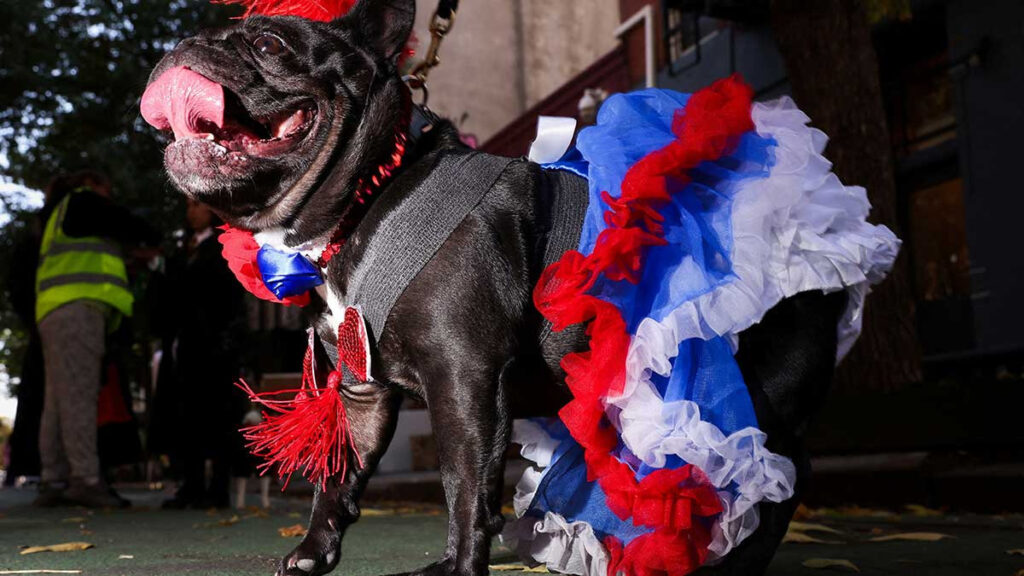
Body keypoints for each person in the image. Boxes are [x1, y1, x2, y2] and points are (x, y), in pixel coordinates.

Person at [33, 169, 160, 508]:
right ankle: (85, 480)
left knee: (58, 400)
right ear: (92, 186)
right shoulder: (83, 201)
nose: (110, 196)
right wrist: (148, 242)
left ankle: (54, 478)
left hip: (56, 308)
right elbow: (134, 226)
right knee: (78, 396)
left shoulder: (61, 214)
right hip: (78, 307)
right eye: (108, 189)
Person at [153, 199, 248, 509]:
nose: (191, 211)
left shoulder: (223, 247)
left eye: (197, 205)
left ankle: (218, 488)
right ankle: (191, 485)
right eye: (188, 206)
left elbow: (231, 301)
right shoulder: (180, 251)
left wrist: (227, 342)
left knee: (218, 417)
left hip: (215, 347)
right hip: (184, 347)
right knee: (186, 416)